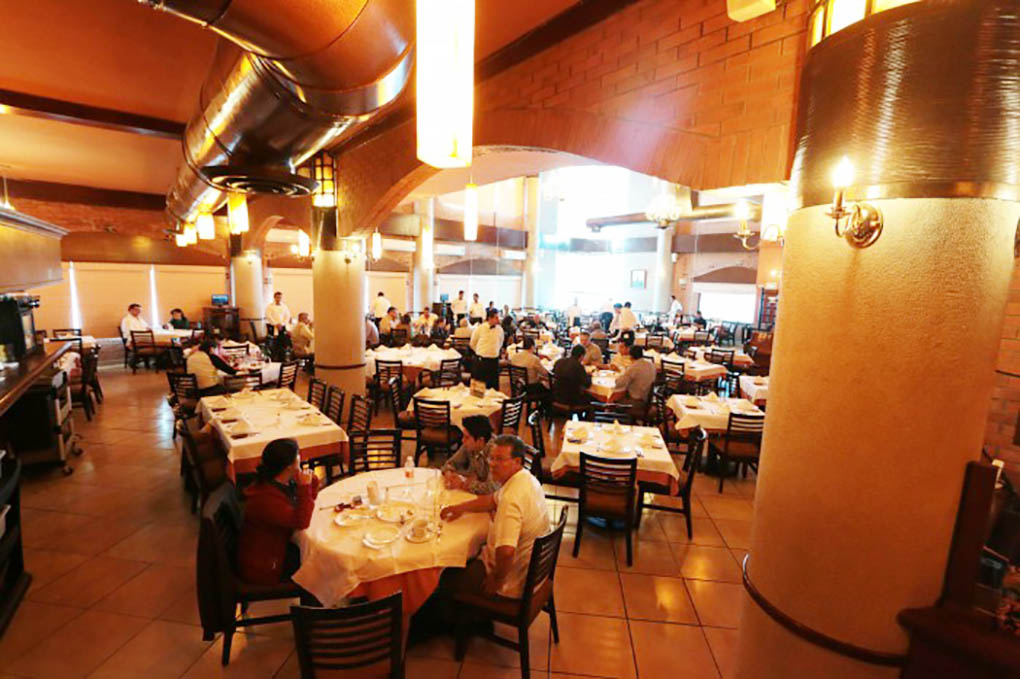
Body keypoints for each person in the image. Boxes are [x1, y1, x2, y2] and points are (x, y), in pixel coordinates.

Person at [440, 435, 550, 598]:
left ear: (517, 461)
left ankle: (464, 612)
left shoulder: (511, 499)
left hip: (514, 580)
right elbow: (492, 500)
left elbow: (506, 552)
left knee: (447, 578)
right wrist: (460, 508)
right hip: (535, 570)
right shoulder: (526, 478)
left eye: (499, 459)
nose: (492, 464)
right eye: (491, 458)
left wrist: (497, 579)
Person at [237, 439, 319, 586]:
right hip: (266, 565)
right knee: (317, 564)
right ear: (289, 466)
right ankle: (312, 599)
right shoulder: (266, 497)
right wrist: (304, 487)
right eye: (298, 455)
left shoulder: (278, 481)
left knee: (314, 552)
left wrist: (308, 483)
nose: (301, 457)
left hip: (279, 545)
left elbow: (306, 504)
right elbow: (301, 521)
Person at [442, 415, 498, 495]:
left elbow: (491, 488)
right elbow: (450, 463)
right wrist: (448, 473)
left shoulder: (495, 453)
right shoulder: (470, 445)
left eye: (467, 437)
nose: (463, 440)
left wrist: (462, 485)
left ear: (480, 440)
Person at [614, 345, 656, 411]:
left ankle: (607, 413)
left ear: (630, 356)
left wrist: (617, 379)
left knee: (614, 396)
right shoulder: (651, 365)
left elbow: (620, 383)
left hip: (635, 402)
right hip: (648, 400)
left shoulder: (634, 367)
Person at [470, 309, 504, 389]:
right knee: (479, 387)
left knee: (493, 388)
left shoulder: (500, 329)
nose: (498, 320)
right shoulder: (480, 328)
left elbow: (500, 343)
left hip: (494, 361)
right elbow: (472, 343)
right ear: (490, 318)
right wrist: (481, 352)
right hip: (481, 361)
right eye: (496, 317)